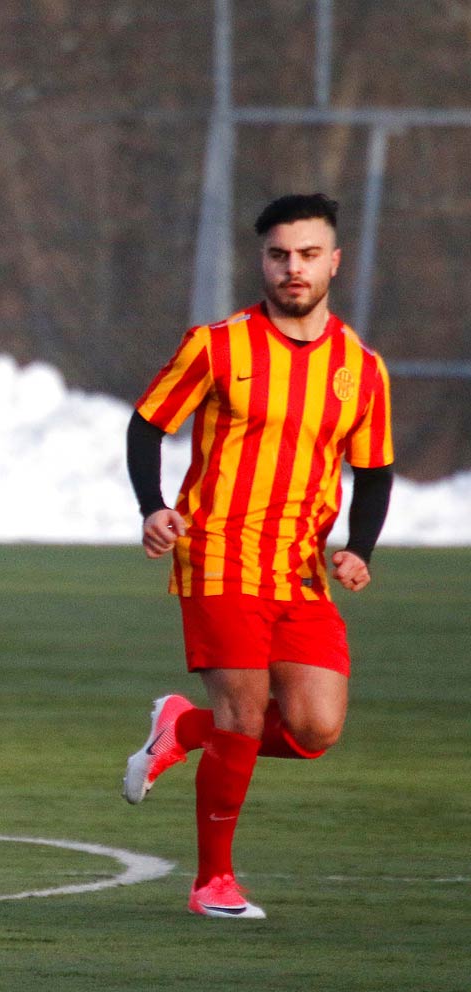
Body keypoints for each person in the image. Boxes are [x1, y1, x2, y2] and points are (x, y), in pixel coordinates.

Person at [122, 193, 394, 920]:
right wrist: (153, 506)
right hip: (218, 552)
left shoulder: (361, 367)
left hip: (300, 568)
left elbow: (374, 470)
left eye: (308, 254)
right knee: (243, 717)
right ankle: (213, 883)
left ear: (333, 262)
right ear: (262, 261)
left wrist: (358, 550)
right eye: (279, 254)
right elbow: (148, 424)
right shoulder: (218, 344)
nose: (292, 268)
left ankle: (181, 728)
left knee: (314, 729)